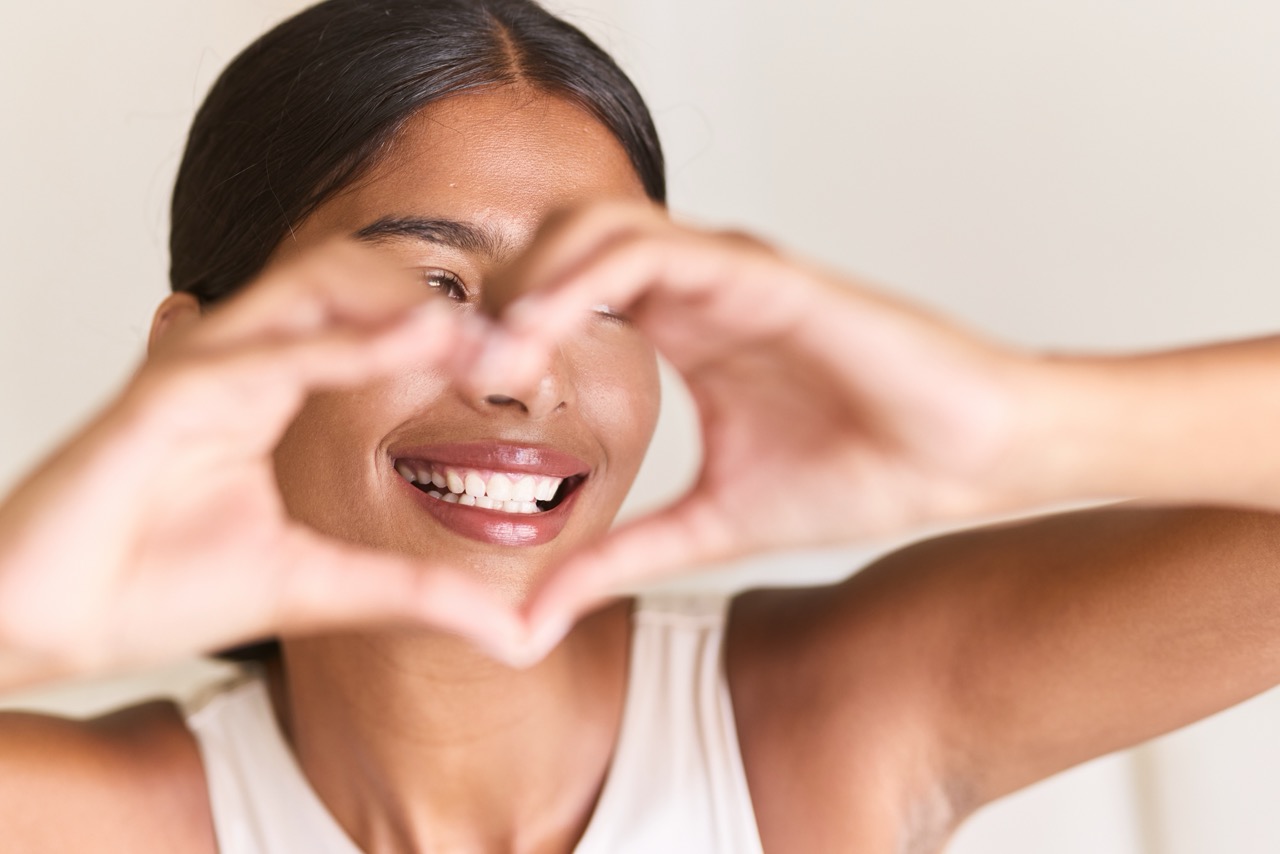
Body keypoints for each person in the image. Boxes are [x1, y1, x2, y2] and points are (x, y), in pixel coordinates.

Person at [2, 1, 1280, 852]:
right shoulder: (107, 818)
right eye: (432, 283)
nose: (525, 378)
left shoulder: (828, 718)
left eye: (604, 300)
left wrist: (1015, 424)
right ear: (196, 358)